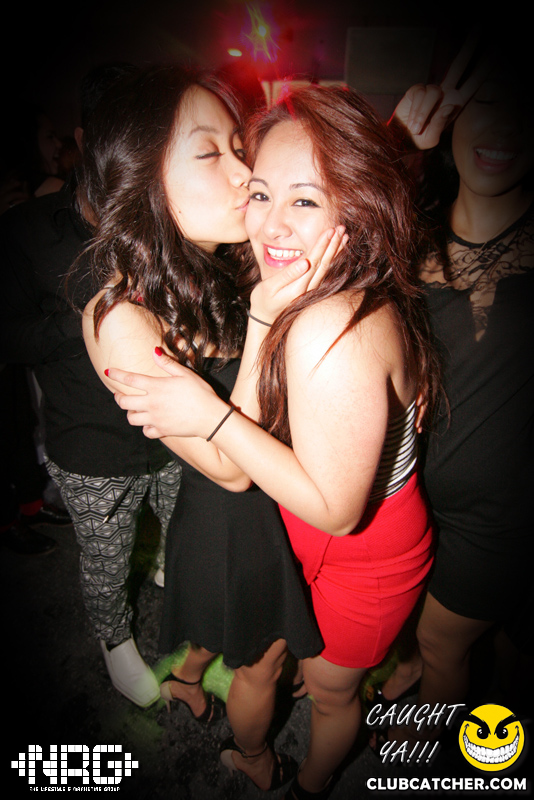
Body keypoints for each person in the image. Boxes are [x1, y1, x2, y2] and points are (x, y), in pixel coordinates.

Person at [105, 84, 438, 798]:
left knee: (330, 691)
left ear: (355, 206)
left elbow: (338, 510)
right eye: (261, 192)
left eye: (305, 201)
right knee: (292, 664)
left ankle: (311, 784)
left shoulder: (327, 319)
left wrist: (211, 412)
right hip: (290, 527)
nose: (270, 220)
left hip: (361, 548)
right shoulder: (278, 281)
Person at [81, 64, 326, 792]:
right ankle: (254, 759)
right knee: (265, 658)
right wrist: (264, 317)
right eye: (211, 152)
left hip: (278, 489)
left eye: (237, 147)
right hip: (234, 514)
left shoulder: (208, 265)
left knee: (229, 629)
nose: (244, 172)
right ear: (142, 176)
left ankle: (185, 678)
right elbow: (228, 466)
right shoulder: (119, 315)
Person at [0, 63, 182, 708]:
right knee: (106, 560)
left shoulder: (167, 215)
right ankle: (114, 641)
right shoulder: (27, 231)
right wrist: (88, 319)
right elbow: (6, 336)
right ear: (87, 138)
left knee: (179, 528)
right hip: (90, 443)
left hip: (173, 429)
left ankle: (162, 567)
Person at [368, 32, 534, 736]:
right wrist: (398, 140)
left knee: (445, 642)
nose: (502, 128)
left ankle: (447, 757)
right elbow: (322, 225)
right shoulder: (411, 233)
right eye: (485, 101)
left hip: (503, 520)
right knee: (424, 626)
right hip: (410, 494)